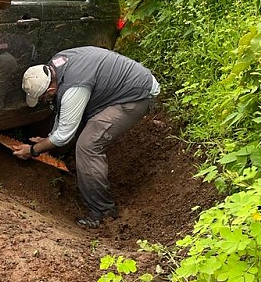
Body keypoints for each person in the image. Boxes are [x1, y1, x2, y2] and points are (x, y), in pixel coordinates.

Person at [12, 46, 160, 228]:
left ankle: (103, 211)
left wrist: (34, 150)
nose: (44, 102)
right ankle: (78, 170)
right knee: (82, 130)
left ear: (51, 87)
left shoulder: (74, 88)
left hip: (134, 97)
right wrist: (49, 137)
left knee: (88, 145)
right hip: (127, 86)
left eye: (43, 98)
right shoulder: (57, 64)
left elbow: (64, 135)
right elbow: (63, 112)